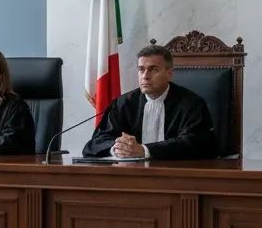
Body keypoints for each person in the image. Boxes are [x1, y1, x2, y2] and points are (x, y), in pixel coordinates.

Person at [82, 45, 218, 160]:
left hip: (178, 176)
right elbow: (96, 142)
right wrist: (118, 148)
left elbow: (196, 143)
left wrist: (144, 150)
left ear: (169, 74)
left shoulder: (191, 103)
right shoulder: (123, 103)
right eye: (141, 69)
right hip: (130, 176)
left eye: (153, 69)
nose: (145, 76)